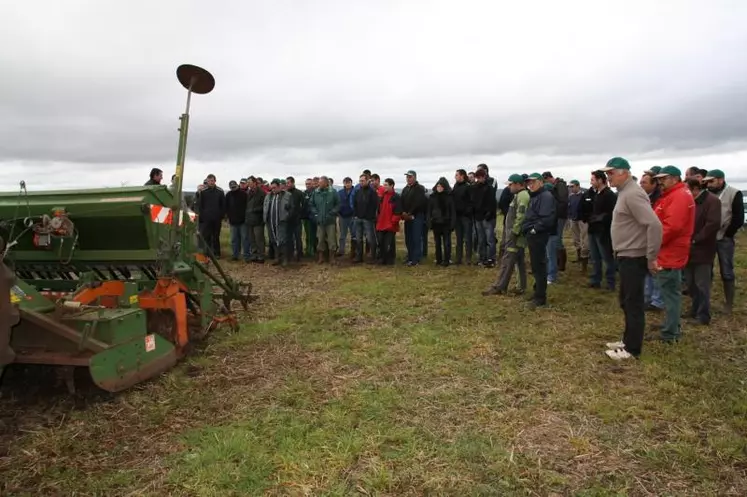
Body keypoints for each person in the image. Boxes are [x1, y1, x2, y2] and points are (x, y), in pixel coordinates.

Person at [602, 157, 663, 361]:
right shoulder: (624, 193)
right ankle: (627, 340)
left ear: (624, 173)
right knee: (626, 301)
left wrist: (651, 257)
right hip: (626, 255)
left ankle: (632, 349)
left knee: (633, 303)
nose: (608, 177)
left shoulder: (633, 194)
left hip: (634, 256)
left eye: (611, 173)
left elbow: (654, 225)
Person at [650, 166, 695, 342]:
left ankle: (670, 332)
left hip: (670, 252)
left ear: (675, 178)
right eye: (659, 179)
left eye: (664, 178)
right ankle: (671, 326)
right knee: (669, 292)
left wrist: (654, 242)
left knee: (670, 293)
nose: (660, 182)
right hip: (669, 251)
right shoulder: (674, 195)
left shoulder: (679, 196)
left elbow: (672, 227)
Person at [704, 169, 744, 315]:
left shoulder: (734, 193)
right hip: (708, 238)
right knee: (706, 270)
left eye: (711, 181)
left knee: (726, 270)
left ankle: (728, 304)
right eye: (707, 181)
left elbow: (738, 217)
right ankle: (704, 302)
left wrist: (728, 234)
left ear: (721, 180)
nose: (708, 184)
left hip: (724, 238)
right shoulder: (706, 193)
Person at [483, 174, 529, 296]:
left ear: (518, 184)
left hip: (514, 236)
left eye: (510, 184)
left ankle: (499, 287)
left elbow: (521, 216)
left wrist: (514, 232)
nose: (509, 187)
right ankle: (521, 287)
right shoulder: (518, 195)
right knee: (519, 261)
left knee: (507, 261)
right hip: (514, 235)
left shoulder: (523, 196)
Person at [685, 178, 722, 326]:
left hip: (703, 249)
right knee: (691, 283)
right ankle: (694, 310)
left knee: (702, 284)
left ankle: (703, 315)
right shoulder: (689, 201)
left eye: (687, 190)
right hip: (688, 249)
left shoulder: (712, 201)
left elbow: (712, 224)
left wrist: (696, 239)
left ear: (695, 189)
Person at [521, 173, 556, 308]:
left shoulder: (545, 196)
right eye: (529, 183)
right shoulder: (535, 196)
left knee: (539, 264)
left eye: (533, 182)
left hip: (538, 235)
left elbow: (546, 218)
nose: (530, 185)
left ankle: (540, 297)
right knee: (535, 265)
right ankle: (537, 292)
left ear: (541, 182)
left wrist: (534, 229)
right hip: (532, 233)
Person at [587, 170, 617, 291]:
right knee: (595, 257)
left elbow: (612, 213)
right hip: (593, 230)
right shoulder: (596, 194)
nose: (591, 182)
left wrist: (599, 218)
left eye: (593, 179)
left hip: (603, 231)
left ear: (600, 180)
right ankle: (596, 279)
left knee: (607, 257)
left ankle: (610, 283)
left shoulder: (609, 195)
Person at [639, 170, 664, 311]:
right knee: (646, 270)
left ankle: (657, 301)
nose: (641, 185)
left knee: (655, 270)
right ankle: (647, 297)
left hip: (655, 237)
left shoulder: (659, 198)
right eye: (641, 182)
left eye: (644, 182)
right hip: (644, 237)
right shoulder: (643, 197)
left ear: (654, 184)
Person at [542, 171, 569, 281]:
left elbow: (563, 202)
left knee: (557, 240)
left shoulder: (560, 185)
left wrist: (555, 214)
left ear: (548, 178)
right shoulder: (556, 186)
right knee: (555, 242)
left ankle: (560, 264)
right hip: (556, 217)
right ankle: (557, 264)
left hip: (559, 217)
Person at [470, 169, 498, 267]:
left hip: (487, 217)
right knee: (481, 239)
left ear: (484, 177)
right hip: (478, 217)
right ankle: (482, 258)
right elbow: (473, 201)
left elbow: (492, 203)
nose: (479, 179)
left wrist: (489, 213)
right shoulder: (474, 188)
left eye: (481, 177)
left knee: (490, 239)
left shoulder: (489, 188)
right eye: (478, 177)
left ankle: (491, 258)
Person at [310, 176, 340, 264]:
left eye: (321, 182)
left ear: (326, 183)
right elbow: (311, 204)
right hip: (320, 221)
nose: (319, 184)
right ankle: (321, 257)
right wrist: (315, 213)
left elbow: (338, 204)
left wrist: (332, 213)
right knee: (320, 239)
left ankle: (332, 257)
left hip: (330, 221)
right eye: (319, 182)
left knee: (332, 240)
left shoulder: (333, 192)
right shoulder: (316, 192)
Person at [400, 170, 428, 266]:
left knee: (416, 238)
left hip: (417, 216)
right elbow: (402, 201)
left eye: (410, 177)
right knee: (408, 238)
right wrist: (403, 213)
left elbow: (419, 202)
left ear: (415, 177)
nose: (408, 178)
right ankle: (410, 257)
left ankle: (416, 259)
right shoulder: (405, 189)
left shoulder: (419, 188)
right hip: (407, 217)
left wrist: (410, 213)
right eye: (407, 177)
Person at [428, 177, 456, 266]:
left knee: (447, 243)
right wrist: (429, 222)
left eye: (441, 186)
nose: (439, 188)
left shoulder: (449, 197)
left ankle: (446, 260)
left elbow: (453, 211)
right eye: (438, 186)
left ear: (444, 187)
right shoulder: (432, 197)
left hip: (446, 223)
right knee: (437, 243)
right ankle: (438, 259)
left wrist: (452, 224)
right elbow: (429, 211)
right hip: (436, 223)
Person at [263, 179, 291, 267]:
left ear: (279, 186)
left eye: (275, 188)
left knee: (282, 240)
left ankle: (285, 259)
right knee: (273, 240)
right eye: (272, 188)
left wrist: (287, 216)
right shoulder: (268, 196)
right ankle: (277, 258)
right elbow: (265, 206)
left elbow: (292, 208)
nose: (273, 190)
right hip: (270, 222)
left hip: (281, 222)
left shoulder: (287, 195)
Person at [196, 174, 225, 258]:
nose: (211, 182)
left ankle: (217, 253)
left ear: (215, 181)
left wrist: (221, 216)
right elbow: (200, 205)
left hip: (216, 218)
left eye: (212, 181)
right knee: (206, 236)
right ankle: (208, 253)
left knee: (216, 236)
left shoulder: (220, 191)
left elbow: (223, 205)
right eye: (209, 181)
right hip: (206, 218)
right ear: (207, 182)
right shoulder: (203, 192)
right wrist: (202, 216)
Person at [352, 174, 379, 263]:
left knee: (370, 238)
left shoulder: (372, 192)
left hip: (368, 219)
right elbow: (355, 203)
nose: (361, 182)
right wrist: (355, 214)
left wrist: (369, 216)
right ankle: (359, 256)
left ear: (368, 181)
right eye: (360, 181)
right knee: (358, 238)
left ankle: (372, 257)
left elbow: (375, 205)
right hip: (358, 218)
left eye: (363, 181)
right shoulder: (358, 191)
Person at [376, 178, 402, 265]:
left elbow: (398, 211)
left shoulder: (396, 197)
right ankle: (382, 258)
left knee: (389, 243)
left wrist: (393, 222)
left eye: (386, 185)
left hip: (390, 224)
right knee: (381, 241)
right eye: (384, 185)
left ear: (392, 185)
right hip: (381, 222)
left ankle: (390, 259)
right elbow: (380, 209)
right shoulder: (383, 196)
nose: (384, 186)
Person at [452, 169, 473, 265]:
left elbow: (472, 201)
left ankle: (468, 258)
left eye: (456, 175)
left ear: (462, 176)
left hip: (465, 217)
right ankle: (458, 258)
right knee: (458, 238)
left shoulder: (468, 187)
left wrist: (467, 212)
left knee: (467, 238)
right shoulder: (455, 186)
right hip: (457, 217)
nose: (455, 177)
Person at [225, 180, 250, 261]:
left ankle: (246, 255)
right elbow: (226, 207)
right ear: (230, 187)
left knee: (245, 239)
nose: (233, 188)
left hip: (243, 221)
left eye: (234, 186)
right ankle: (235, 255)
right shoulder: (228, 195)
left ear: (237, 185)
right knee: (234, 239)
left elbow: (247, 207)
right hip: (233, 221)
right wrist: (228, 217)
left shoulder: (244, 194)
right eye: (231, 187)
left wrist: (246, 218)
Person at [567, 179, 589, 268]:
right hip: (573, 219)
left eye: (572, 186)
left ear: (577, 186)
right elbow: (569, 207)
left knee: (585, 239)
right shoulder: (571, 197)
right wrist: (570, 216)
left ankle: (585, 260)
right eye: (570, 187)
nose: (571, 188)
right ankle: (579, 257)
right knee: (576, 239)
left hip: (582, 220)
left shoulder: (584, 195)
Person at [245, 177, 266, 263]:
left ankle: (261, 256)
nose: (248, 184)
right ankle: (254, 255)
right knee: (252, 239)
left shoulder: (261, 193)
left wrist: (254, 209)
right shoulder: (248, 192)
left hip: (258, 220)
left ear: (254, 183)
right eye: (248, 182)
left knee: (259, 239)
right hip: (249, 220)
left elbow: (264, 206)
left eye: (250, 182)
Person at [285, 176, 305, 262]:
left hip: (297, 220)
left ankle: (299, 254)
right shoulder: (285, 193)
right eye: (286, 183)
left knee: (298, 238)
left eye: (288, 183)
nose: (287, 184)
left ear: (293, 183)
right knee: (289, 238)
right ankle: (290, 254)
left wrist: (300, 215)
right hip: (288, 220)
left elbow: (304, 205)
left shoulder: (299, 193)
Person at [337, 177, 356, 257]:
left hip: (352, 216)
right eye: (345, 183)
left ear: (351, 183)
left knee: (354, 234)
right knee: (342, 235)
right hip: (342, 216)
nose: (347, 184)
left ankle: (353, 251)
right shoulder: (340, 192)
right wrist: (338, 213)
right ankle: (341, 250)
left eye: (349, 182)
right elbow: (337, 203)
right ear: (343, 183)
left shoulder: (355, 191)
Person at [302, 178, 318, 258]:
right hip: (305, 217)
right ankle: (308, 249)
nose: (307, 185)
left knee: (313, 234)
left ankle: (313, 250)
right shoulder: (304, 193)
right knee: (307, 234)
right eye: (306, 184)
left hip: (313, 217)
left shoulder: (315, 193)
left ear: (312, 184)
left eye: (309, 184)